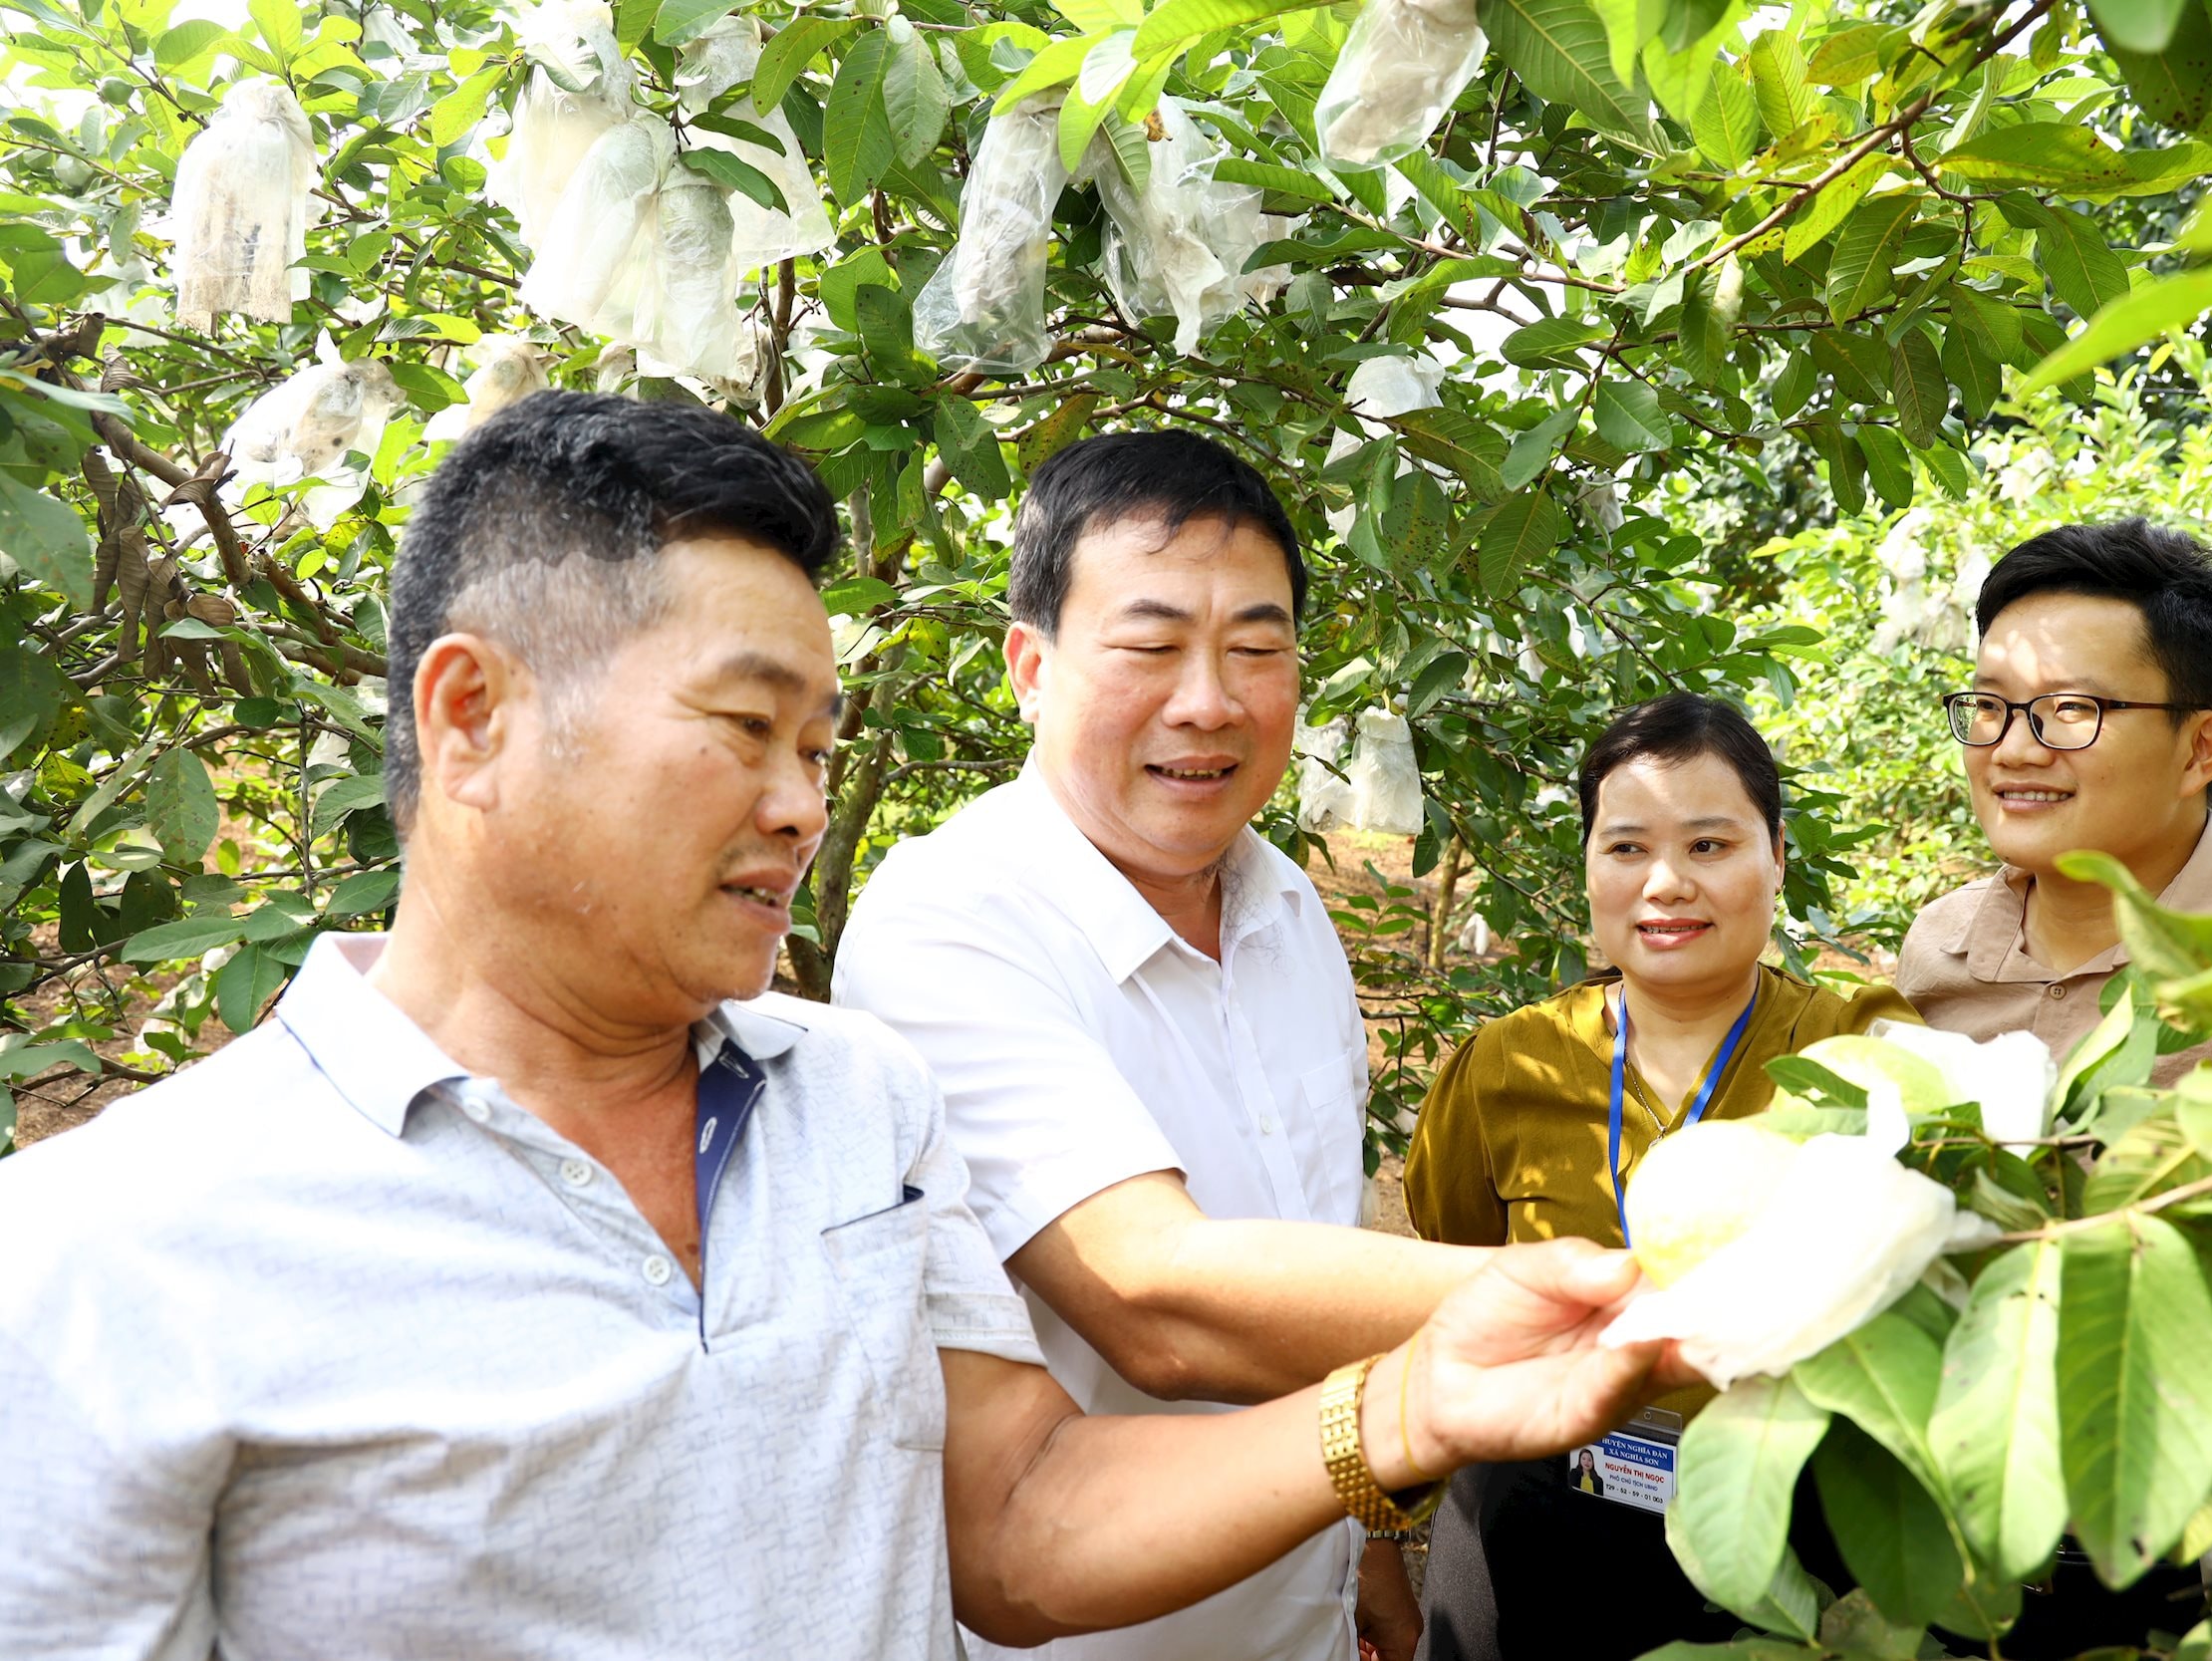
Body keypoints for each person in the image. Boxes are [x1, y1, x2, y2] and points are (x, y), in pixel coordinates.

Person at [0, 395, 1689, 1660]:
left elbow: (1019, 1529)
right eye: (747, 728)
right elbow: (1155, 1288)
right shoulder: (111, 1253)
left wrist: (1403, 1414)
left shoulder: (852, 1102)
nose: (804, 806)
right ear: (474, 716)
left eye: (820, 743)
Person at [835, 430, 1485, 1661]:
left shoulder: (1289, 908)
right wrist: (1615, 1301)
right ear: (1029, 665)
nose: (1209, 700)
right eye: (1147, 646)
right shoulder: (951, 916)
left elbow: (1311, 1255)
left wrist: (1373, 1550)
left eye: (1257, 648)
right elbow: (1159, 1299)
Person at [1400, 692, 1915, 1661]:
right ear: (1588, 866)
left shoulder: (1858, 1048)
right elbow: (1458, 1250)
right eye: (1627, 846)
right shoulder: (1508, 1063)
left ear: (1776, 859)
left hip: (1775, 1514)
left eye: (1711, 845)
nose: (1666, 882)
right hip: (1532, 1495)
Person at [1898, 519, 2212, 1084]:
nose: (2013, 751)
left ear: (2200, 750)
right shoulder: (1940, 945)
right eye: (1989, 704)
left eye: (2072, 709)